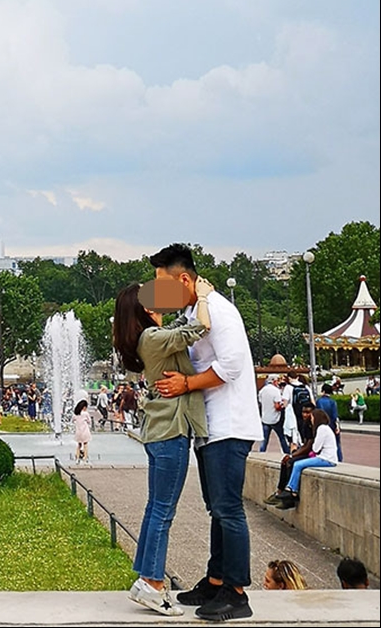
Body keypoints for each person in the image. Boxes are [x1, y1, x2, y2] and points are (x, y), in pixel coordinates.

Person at [152, 244, 261, 623]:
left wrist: (186, 384)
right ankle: (217, 581)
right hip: (214, 425)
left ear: (184, 279)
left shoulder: (218, 310)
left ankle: (237, 592)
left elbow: (230, 364)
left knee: (228, 508)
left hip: (229, 424)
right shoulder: (200, 311)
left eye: (162, 284)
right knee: (218, 508)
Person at [112, 276, 213, 618]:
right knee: (163, 511)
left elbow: (184, 329)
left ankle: (145, 578)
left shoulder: (147, 338)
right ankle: (153, 584)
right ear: (142, 309)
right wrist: (202, 295)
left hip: (160, 432)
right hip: (171, 430)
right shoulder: (152, 337)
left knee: (155, 508)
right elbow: (197, 328)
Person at [275, 409, 338, 508]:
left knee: (298, 464)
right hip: (326, 457)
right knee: (298, 464)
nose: (311, 420)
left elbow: (315, 448)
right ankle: (291, 489)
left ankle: (291, 489)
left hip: (326, 459)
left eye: (312, 417)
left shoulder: (321, 429)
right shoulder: (325, 428)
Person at [257, 376, 290, 455]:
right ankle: (287, 453)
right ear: (274, 381)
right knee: (281, 437)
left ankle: (261, 453)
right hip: (275, 418)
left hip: (265, 418)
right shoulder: (275, 391)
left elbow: (260, 402)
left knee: (264, 439)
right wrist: (282, 406)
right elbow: (277, 406)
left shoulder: (262, 390)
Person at [316, 383, 343, 461]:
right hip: (332, 424)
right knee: (336, 443)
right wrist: (337, 426)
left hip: (322, 425)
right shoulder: (333, 402)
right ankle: (339, 458)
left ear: (323, 391)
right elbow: (335, 415)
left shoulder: (319, 401)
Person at [73, 399, 92, 464]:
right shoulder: (85, 414)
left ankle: (77, 458)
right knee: (85, 445)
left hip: (78, 432)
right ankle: (85, 458)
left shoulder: (76, 414)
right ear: (84, 407)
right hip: (85, 431)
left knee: (79, 445)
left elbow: (73, 420)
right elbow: (89, 421)